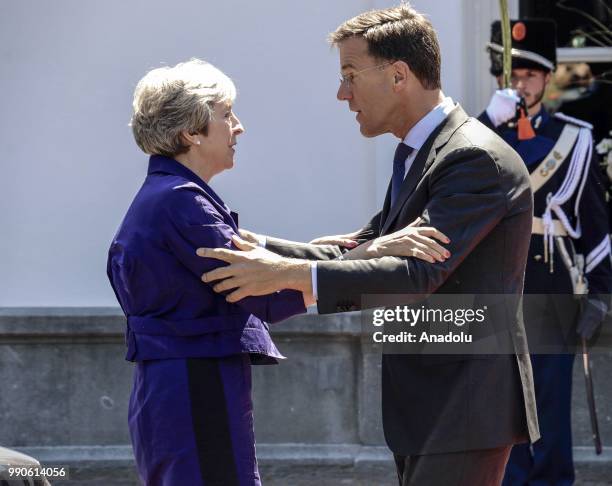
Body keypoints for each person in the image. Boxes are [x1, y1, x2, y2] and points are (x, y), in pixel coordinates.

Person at [196, 5, 540, 485]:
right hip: (430, 402)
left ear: (399, 75)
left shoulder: (473, 157)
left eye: (350, 75)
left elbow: (416, 274)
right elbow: (367, 247)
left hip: (466, 403)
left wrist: (282, 273)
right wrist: (263, 248)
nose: (342, 93)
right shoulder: (422, 151)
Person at [106, 58, 445, 486]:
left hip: (180, 383)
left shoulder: (169, 195)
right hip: (195, 385)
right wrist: (373, 254)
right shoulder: (179, 200)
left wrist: (352, 250)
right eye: (226, 115)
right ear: (190, 132)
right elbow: (262, 289)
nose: (239, 127)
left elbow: (260, 262)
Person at [480, 19, 612, 485]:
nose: (520, 84)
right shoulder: (476, 136)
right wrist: (484, 124)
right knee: (502, 411)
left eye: (530, 75)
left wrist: (600, 292)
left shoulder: (575, 138)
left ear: (547, 77)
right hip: (496, 290)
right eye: (512, 74)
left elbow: (595, 222)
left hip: (552, 287)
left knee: (550, 413)